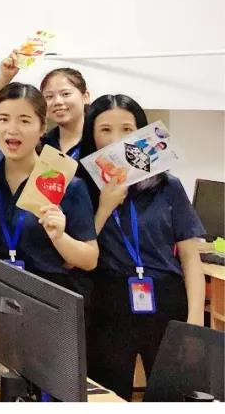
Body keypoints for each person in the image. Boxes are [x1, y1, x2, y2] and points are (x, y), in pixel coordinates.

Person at [80, 95, 206, 401]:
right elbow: (80, 253)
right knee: (108, 397)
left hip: (166, 300)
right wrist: (105, 207)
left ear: (142, 134)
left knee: (173, 396)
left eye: (127, 129)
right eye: (105, 130)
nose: (117, 139)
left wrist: (194, 322)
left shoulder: (168, 186)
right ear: (92, 136)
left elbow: (190, 258)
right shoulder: (83, 188)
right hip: (109, 301)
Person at [0, 83, 98, 298]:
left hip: (50, 300)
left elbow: (90, 260)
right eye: (4, 119)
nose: (12, 129)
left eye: (24, 120)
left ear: (42, 127)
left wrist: (60, 237)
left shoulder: (67, 183)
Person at [0, 53, 90, 158]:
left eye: (65, 94)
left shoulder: (96, 138)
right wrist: (5, 76)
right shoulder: (40, 143)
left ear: (85, 97)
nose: (57, 101)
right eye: (49, 96)